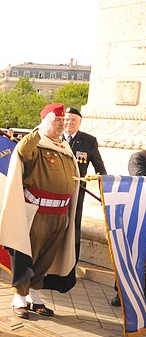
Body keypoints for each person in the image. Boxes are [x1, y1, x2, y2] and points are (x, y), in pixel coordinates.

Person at [0, 103, 79, 319]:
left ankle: (35, 294)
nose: (62, 125)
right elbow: (24, 152)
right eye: (57, 121)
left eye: (63, 121)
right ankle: (19, 297)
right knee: (26, 254)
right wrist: (39, 131)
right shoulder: (36, 143)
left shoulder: (65, 148)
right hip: (37, 211)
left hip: (59, 213)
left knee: (46, 257)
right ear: (45, 123)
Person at [62, 106, 107, 263]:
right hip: (55, 190)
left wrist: (105, 190)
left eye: (73, 120)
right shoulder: (53, 138)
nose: (69, 123)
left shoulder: (89, 141)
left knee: (73, 226)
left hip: (76, 190)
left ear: (80, 122)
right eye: (66, 119)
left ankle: (70, 264)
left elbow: (100, 169)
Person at [110, 149, 146, 307]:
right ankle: (122, 294)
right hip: (138, 216)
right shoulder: (139, 157)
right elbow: (140, 180)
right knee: (132, 255)